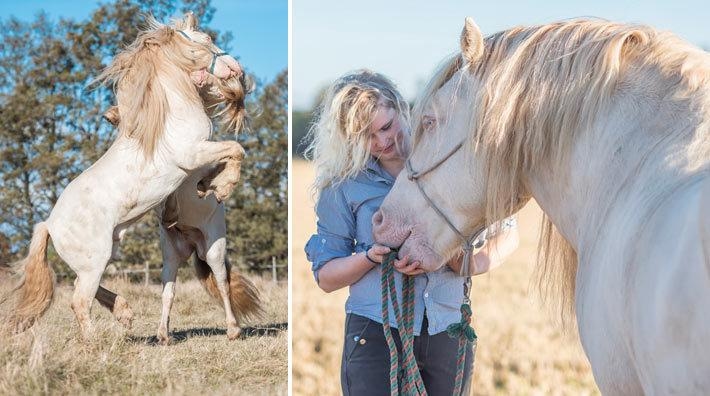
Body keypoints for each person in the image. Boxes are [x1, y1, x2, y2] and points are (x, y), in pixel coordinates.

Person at [304, 69, 519, 395]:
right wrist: (370, 257)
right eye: (367, 136)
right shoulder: (344, 186)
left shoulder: (451, 165)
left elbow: (508, 233)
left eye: (387, 127)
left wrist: (469, 263)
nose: (382, 142)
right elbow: (326, 277)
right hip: (374, 332)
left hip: (447, 329)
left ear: (402, 108)